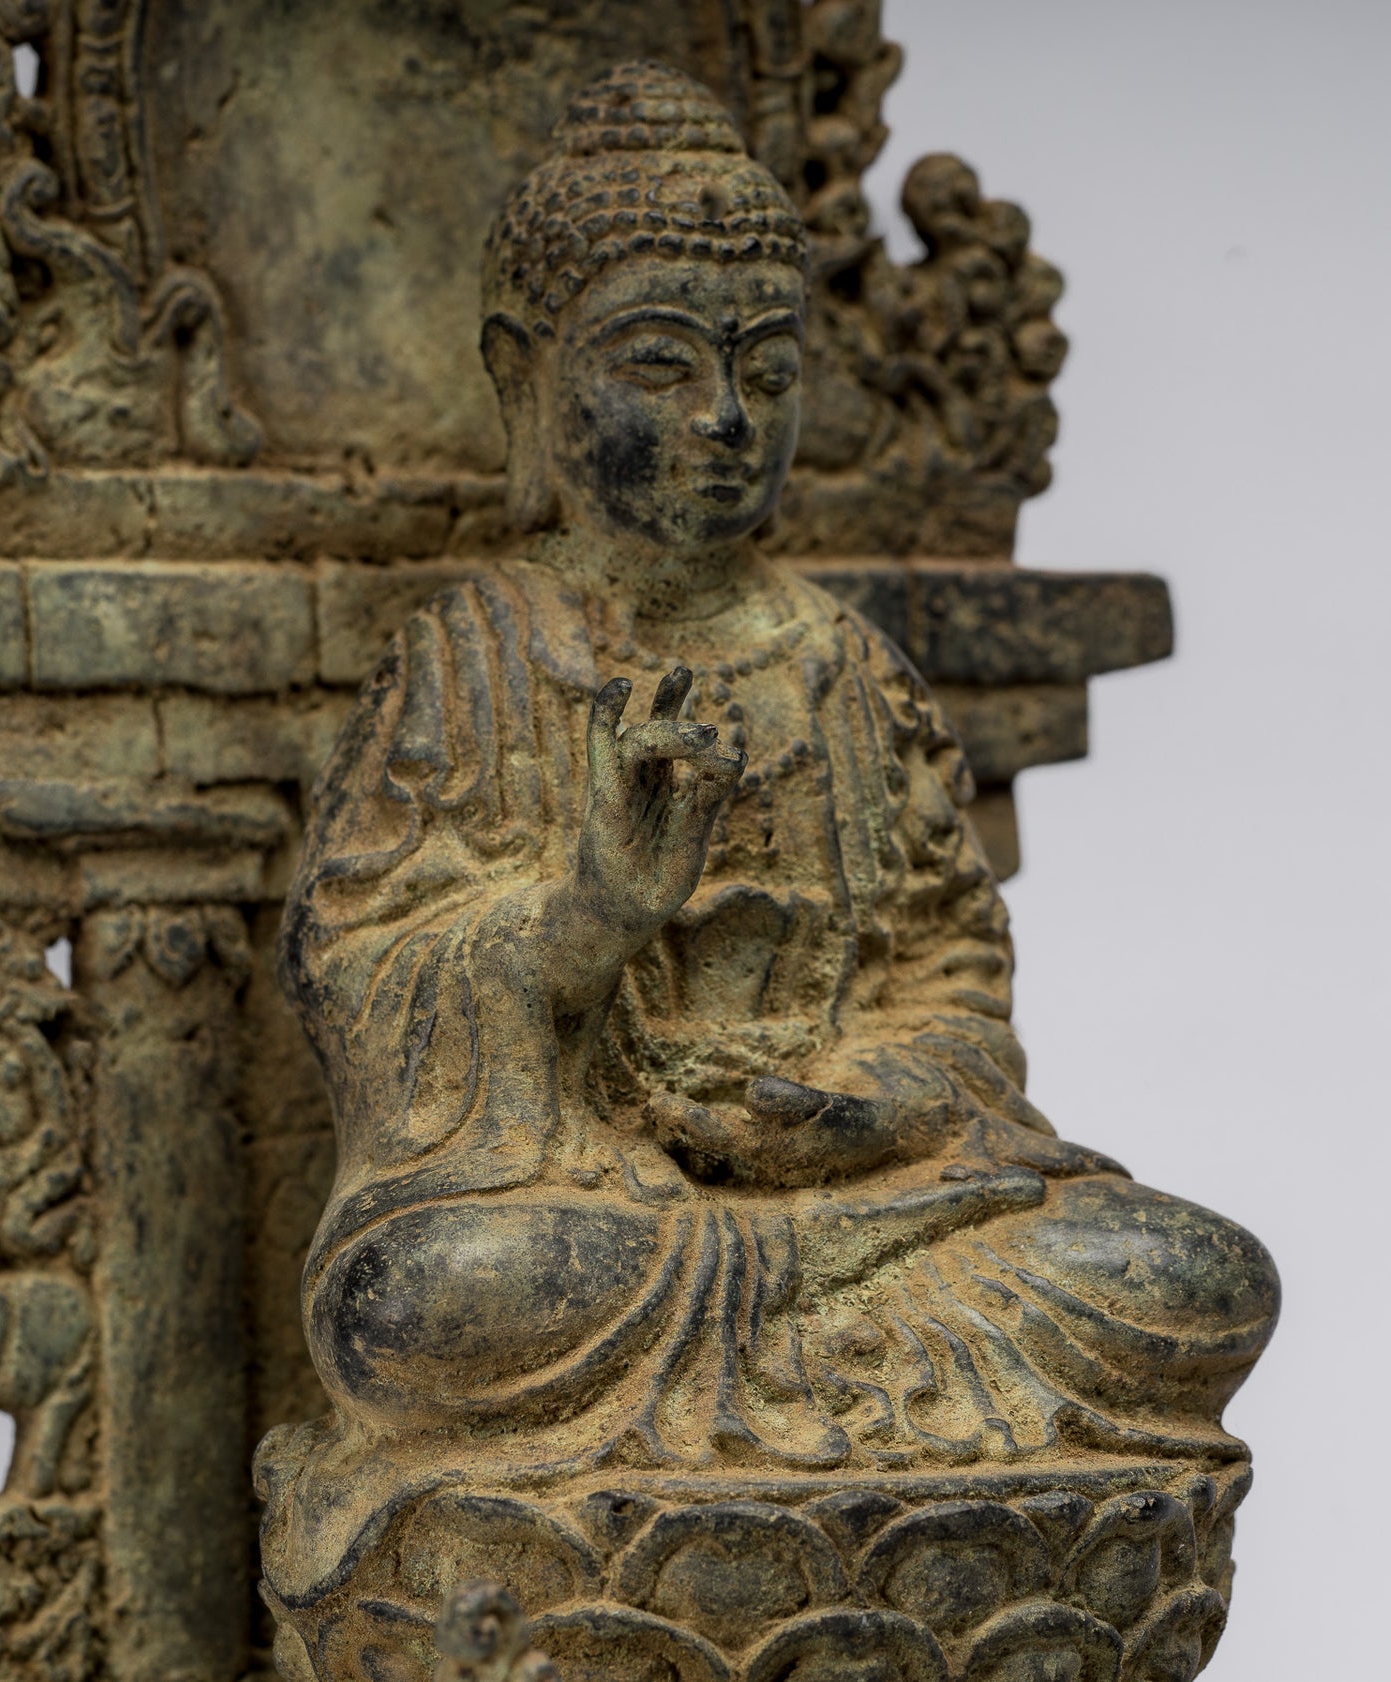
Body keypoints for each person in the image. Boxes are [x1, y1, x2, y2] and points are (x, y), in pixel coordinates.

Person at [262, 62, 1277, 1597]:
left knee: (1191, 1276)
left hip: (874, 1210)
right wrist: (589, 915)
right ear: (528, 378)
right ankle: (823, 1407)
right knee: (414, 1306)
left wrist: (866, 1107)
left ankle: (772, 1398)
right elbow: (353, 968)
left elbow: (953, 981)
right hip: (592, 1227)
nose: (727, 418)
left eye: (768, 368)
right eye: (660, 365)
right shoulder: (468, 661)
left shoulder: (850, 668)